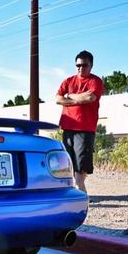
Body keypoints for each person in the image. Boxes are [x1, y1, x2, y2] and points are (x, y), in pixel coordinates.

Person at [55, 50, 104, 195]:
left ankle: (80, 191)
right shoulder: (68, 81)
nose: (80, 68)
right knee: (67, 161)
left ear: (91, 65)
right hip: (68, 127)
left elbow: (89, 98)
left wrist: (69, 96)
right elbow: (58, 99)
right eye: (78, 65)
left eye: (84, 65)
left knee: (81, 163)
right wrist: (77, 99)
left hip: (85, 128)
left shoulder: (95, 81)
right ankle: (74, 192)